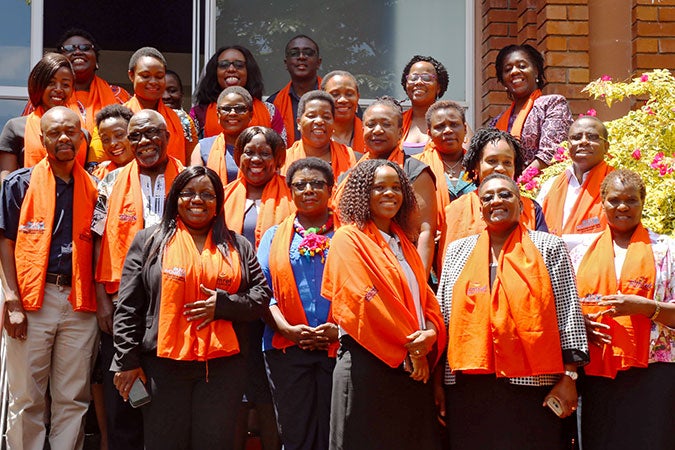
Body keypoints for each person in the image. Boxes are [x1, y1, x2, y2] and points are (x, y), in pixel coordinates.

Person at [111, 166, 272, 450]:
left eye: (207, 194)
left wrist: (224, 305)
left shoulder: (239, 246)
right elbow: (128, 307)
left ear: (218, 203)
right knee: (164, 443)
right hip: (162, 365)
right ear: (175, 198)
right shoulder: (149, 241)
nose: (197, 200)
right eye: (188, 193)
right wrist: (127, 361)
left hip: (223, 368)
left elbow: (260, 297)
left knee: (214, 443)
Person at [436, 173, 589, 450]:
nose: (496, 201)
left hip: (532, 384)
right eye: (488, 197)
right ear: (479, 206)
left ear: (521, 203)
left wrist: (569, 377)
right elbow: (443, 317)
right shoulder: (457, 251)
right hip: (468, 386)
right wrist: (437, 383)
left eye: (505, 194)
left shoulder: (548, 247)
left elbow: (568, 315)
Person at [322, 159, 446, 450]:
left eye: (396, 187)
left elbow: (425, 300)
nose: (389, 193)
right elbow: (363, 300)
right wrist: (411, 347)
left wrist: (429, 333)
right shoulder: (347, 238)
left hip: (411, 367)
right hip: (368, 364)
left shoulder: (404, 243)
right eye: (379, 187)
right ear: (363, 192)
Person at [0, 106, 99, 450]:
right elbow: (6, 242)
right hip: (31, 301)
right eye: (55, 133)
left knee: (73, 398)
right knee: (27, 398)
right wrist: (11, 299)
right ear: (42, 140)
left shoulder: (95, 189)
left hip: (79, 303)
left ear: (82, 137)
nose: (64, 138)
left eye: (71, 131)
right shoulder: (19, 184)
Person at [91, 109, 185, 449]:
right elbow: (97, 239)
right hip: (123, 304)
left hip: (174, 302)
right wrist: (102, 299)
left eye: (151, 134)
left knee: (166, 400)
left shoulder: (188, 177)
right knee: (124, 399)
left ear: (167, 136)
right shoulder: (109, 181)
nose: (144, 142)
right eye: (136, 136)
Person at [566, 170, 675, 450]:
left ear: (643, 202)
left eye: (631, 200)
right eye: (614, 200)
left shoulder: (666, 250)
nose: (623, 206)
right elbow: (566, 311)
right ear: (602, 202)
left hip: (654, 374)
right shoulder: (579, 253)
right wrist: (583, 325)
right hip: (599, 373)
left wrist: (647, 308)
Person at [258, 158, 338, 450]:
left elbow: (362, 289)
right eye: (300, 185)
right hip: (286, 347)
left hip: (339, 347)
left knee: (336, 432)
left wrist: (338, 330)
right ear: (289, 191)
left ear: (331, 189)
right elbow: (262, 292)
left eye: (317, 183)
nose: (308, 190)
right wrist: (288, 329)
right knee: (295, 432)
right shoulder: (272, 235)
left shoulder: (350, 234)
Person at [223, 126, 293, 450]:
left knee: (267, 389)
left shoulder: (291, 194)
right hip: (233, 307)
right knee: (235, 389)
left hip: (275, 305)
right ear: (239, 155)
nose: (256, 159)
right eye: (249, 151)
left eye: (265, 153)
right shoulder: (222, 194)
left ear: (277, 159)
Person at [341, 96, 437, 275]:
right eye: (371, 125)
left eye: (386, 124)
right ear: (362, 130)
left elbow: (425, 231)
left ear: (400, 133)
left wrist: (418, 284)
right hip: (357, 266)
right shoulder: (349, 176)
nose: (377, 130)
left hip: (403, 267)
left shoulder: (415, 170)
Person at [439, 128, 548, 267]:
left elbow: (544, 261)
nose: (500, 168)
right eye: (492, 161)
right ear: (476, 166)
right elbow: (449, 268)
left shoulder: (532, 209)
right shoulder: (456, 209)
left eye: (507, 162)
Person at [0, 52, 86, 178]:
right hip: (29, 196)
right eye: (51, 83)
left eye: (65, 84)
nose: (58, 89)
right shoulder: (16, 127)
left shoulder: (82, 133)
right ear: (38, 85)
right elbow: (6, 181)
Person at [492, 44, 573, 171]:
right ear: (502, 81)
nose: (514, 72)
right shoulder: (496, 122)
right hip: (502, 187)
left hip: (540, 186)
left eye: (522, 66)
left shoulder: (553, 104)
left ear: (536, 71)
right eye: (507, 69)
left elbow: (550, 155)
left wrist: (519, 184)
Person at [55, 28, 131, 163]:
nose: (78, 52)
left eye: (85, 48)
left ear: (96, 60)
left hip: (112, 176)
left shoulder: (119, 95)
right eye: (69, 48)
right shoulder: (49, 96)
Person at [537, 116, 613, 236]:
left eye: (592, 137)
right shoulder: (550, 186)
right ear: (568, 146)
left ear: (606, 147)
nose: (584, 141)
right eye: (577, 137)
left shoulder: (618, 185)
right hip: (553, 254)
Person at [413, 100, 472, 254]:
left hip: (475, 250)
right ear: (429, 133)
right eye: (439, 127)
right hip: (429, 253)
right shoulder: (416, 167)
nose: (447, 130)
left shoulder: (479, 166)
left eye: (454, 124)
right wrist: (427, 232)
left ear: (465, 129)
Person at [190, 45, 285, 140]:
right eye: (224, 65)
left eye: (239, 65)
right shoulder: (200, 113)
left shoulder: (269, 111)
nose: (231, 69)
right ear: (215, 72)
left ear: (249, 71)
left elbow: (281, 150)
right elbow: (191, 151)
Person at [124, 47, 191, 164]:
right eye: (145, 76)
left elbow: (191, 162)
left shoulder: (182, 119)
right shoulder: (118, 118)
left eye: (159, 76)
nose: (153, 81)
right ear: (131, 75)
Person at [282, 90, 356, 181]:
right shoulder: (281, 161)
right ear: (299, 123)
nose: (319, 121)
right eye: (311, 116)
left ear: (333, 123)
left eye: (326, 117)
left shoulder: (354, 159)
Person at [190, 86, 253, 185]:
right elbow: (195, 185)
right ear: (218, 115)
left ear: (251, 115)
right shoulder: (203, 148)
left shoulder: (261, 148)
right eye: (226, 109)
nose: (232, 113)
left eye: (240, 109)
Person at [267, 35, 322, 147]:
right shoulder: (273, 104)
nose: (301, 57)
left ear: (318, 62)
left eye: (308, 53)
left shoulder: (336, 98)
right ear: (285, 63)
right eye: (294, 53)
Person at [400, 55, 450, 155]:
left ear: (438, 87)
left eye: (426, 78)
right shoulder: (396, 123)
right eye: (413, 77)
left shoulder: (453, 123)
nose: (418, 82)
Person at [320, 70, 364, 153]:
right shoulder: (313, 136)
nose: (342, 100)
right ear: (323, 98)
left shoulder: (371, 136)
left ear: (358, 97)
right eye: (335, 94)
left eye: (349, 94)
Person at [91, 104, 135, 180]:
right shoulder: (98, 177)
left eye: (119, 135)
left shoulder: (152, 170)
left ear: (133, 134)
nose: (113, 143)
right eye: (106, 139)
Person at [162, 69, 198, 151]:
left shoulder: (187, 122)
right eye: (161, 91)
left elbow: (192, 158)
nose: (166, 96)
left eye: (172, 91)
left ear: (182, 94)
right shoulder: (146, 120)